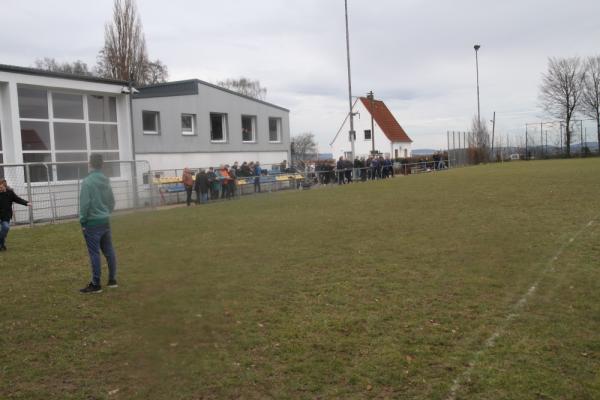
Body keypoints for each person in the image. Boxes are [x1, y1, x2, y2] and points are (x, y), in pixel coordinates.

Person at [79, 154, 117, 294]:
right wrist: (107, 213)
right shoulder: (106, 180)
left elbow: (84, 204)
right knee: (109, 251)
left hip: (92, 223)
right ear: (102, 165)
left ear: (90, 164)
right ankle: (112, 280)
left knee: (94, 253)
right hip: (105, 221)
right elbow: (111, 201)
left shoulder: (87, 182)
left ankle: (96, 284)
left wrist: (82, 220)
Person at [0, 179, 31, 252]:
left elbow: (17, 199)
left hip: (6, 216)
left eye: (1, 188)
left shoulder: (10, 193)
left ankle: (1, 244)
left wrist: (26, 203)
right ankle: (2, 245)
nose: (0, 189)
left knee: (6, 228)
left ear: (5, 187)